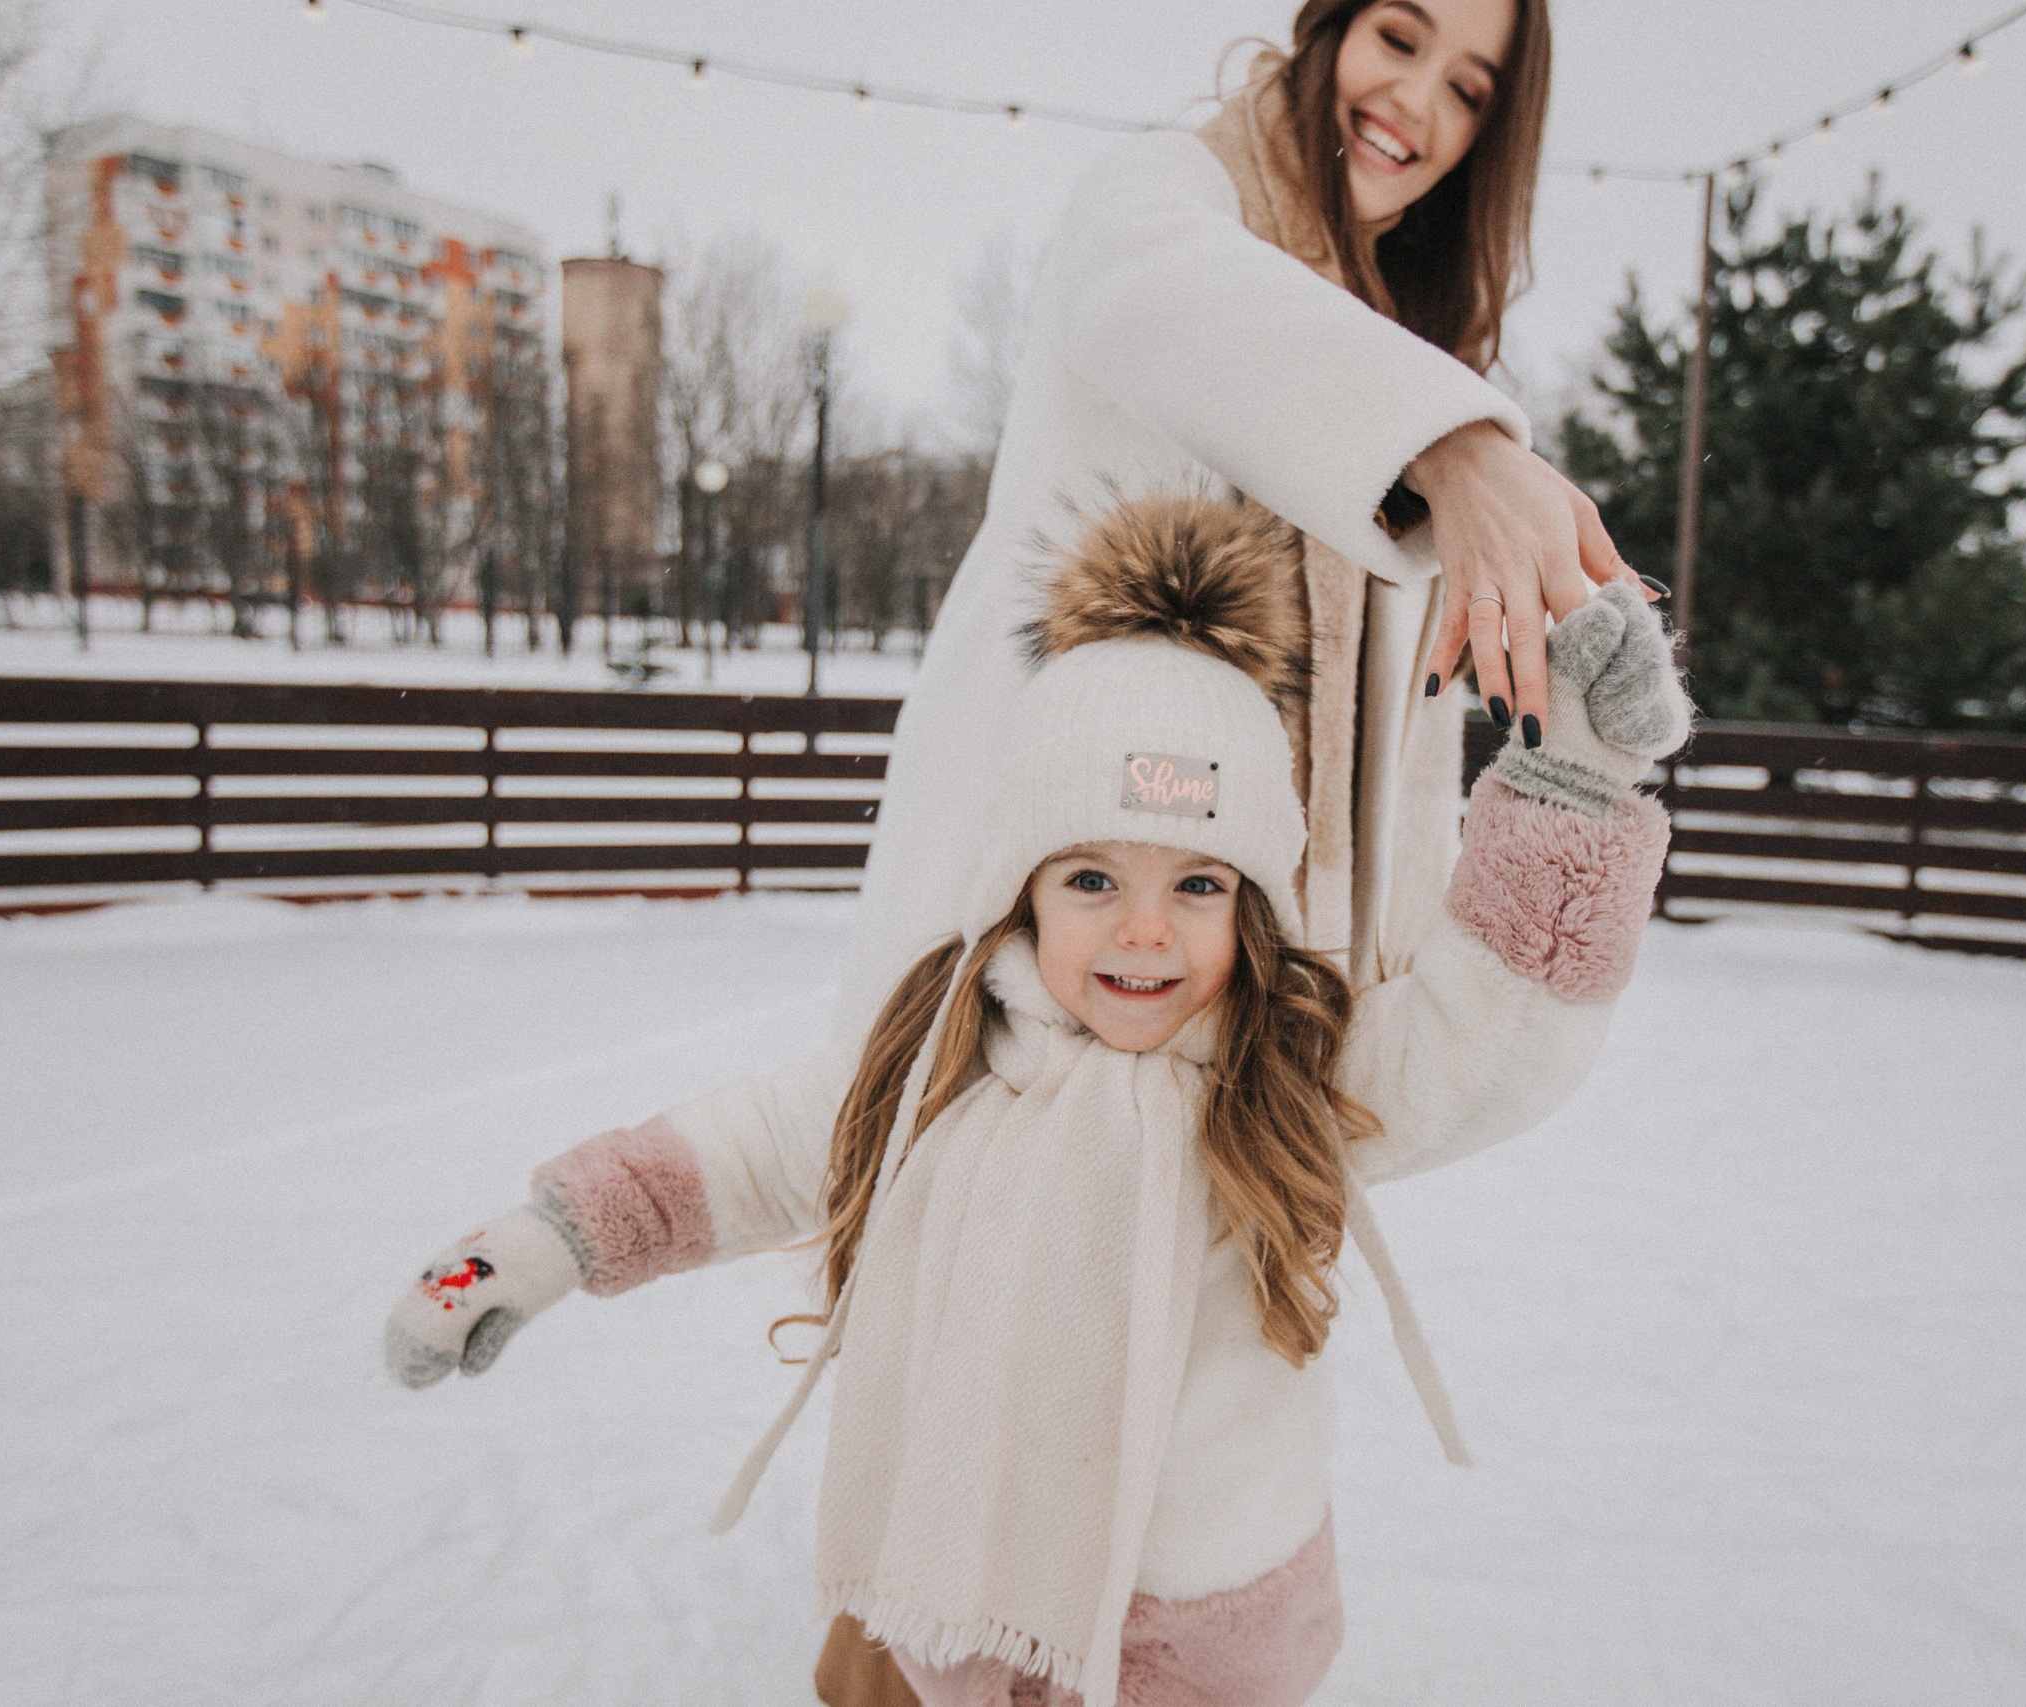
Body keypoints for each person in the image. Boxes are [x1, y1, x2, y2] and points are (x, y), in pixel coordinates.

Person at [383, 494, 1688, 1707]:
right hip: (972, 1600)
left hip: (1208, 1624)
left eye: (1199, 883)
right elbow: (738, 1154)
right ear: (1021, 884)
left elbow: (1493, 1034)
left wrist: (1581, 776)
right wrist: (544, 1239)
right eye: (1090, 880)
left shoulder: (1285, 1070)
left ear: (1256, 899)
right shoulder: (940, 1061)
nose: (1145, 932)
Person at [841, 0, 1642, 1034]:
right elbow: (1158, 286)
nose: (1415, 102)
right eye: (1398, 39)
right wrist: (1452, 448)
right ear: (1331, 27)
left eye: (1466, 91)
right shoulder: (1168, 194)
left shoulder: (1408, 359)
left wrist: (1383, 1000)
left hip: (1256, 987)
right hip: (1038, 950)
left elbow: (1399, 783)